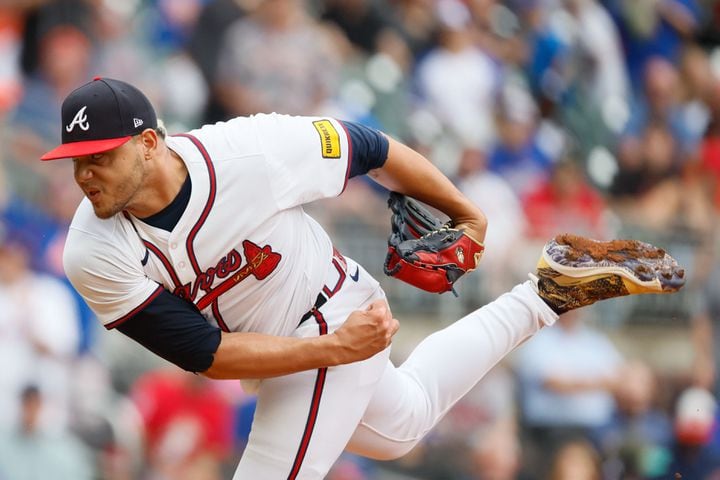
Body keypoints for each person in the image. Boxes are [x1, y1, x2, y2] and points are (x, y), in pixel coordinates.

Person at [40, 77, 685, 479]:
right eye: (75, 160)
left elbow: (369, 148)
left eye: (99, 155)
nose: (84, 174)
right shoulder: (91, 251)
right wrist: (332, 351)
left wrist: (466, 211)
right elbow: (204, 354)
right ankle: (549, 291)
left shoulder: (251, 153)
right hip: (310, 345)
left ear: (150, 143)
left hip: (328, 309)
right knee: (402, 426)